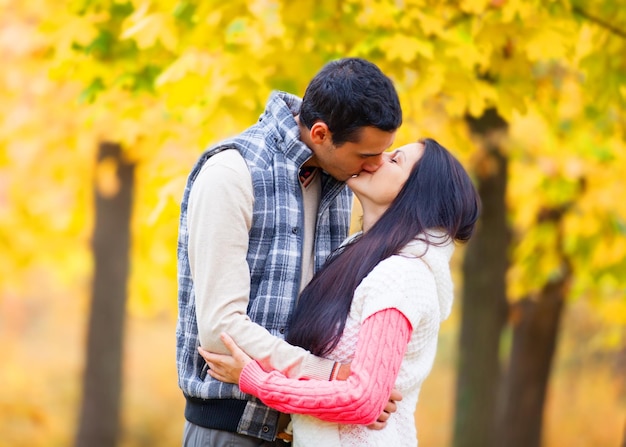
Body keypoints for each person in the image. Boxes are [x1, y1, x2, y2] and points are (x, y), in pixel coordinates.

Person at [176, 57, 403, 446]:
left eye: (385, 153)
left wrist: (360, 386)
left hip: (308, 427)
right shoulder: (232, 173)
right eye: (366, 155)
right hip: (232, 430)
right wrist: (329, 374)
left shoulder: (336, 179)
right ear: (320, 133)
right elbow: (221, 331)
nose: (376, 166)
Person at [198, 138, 481, 446]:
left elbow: (363, 400)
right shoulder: (356, 255)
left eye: (395, 160)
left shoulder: (403, 276)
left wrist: (258, 381)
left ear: (419, 195)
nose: (377, 157)